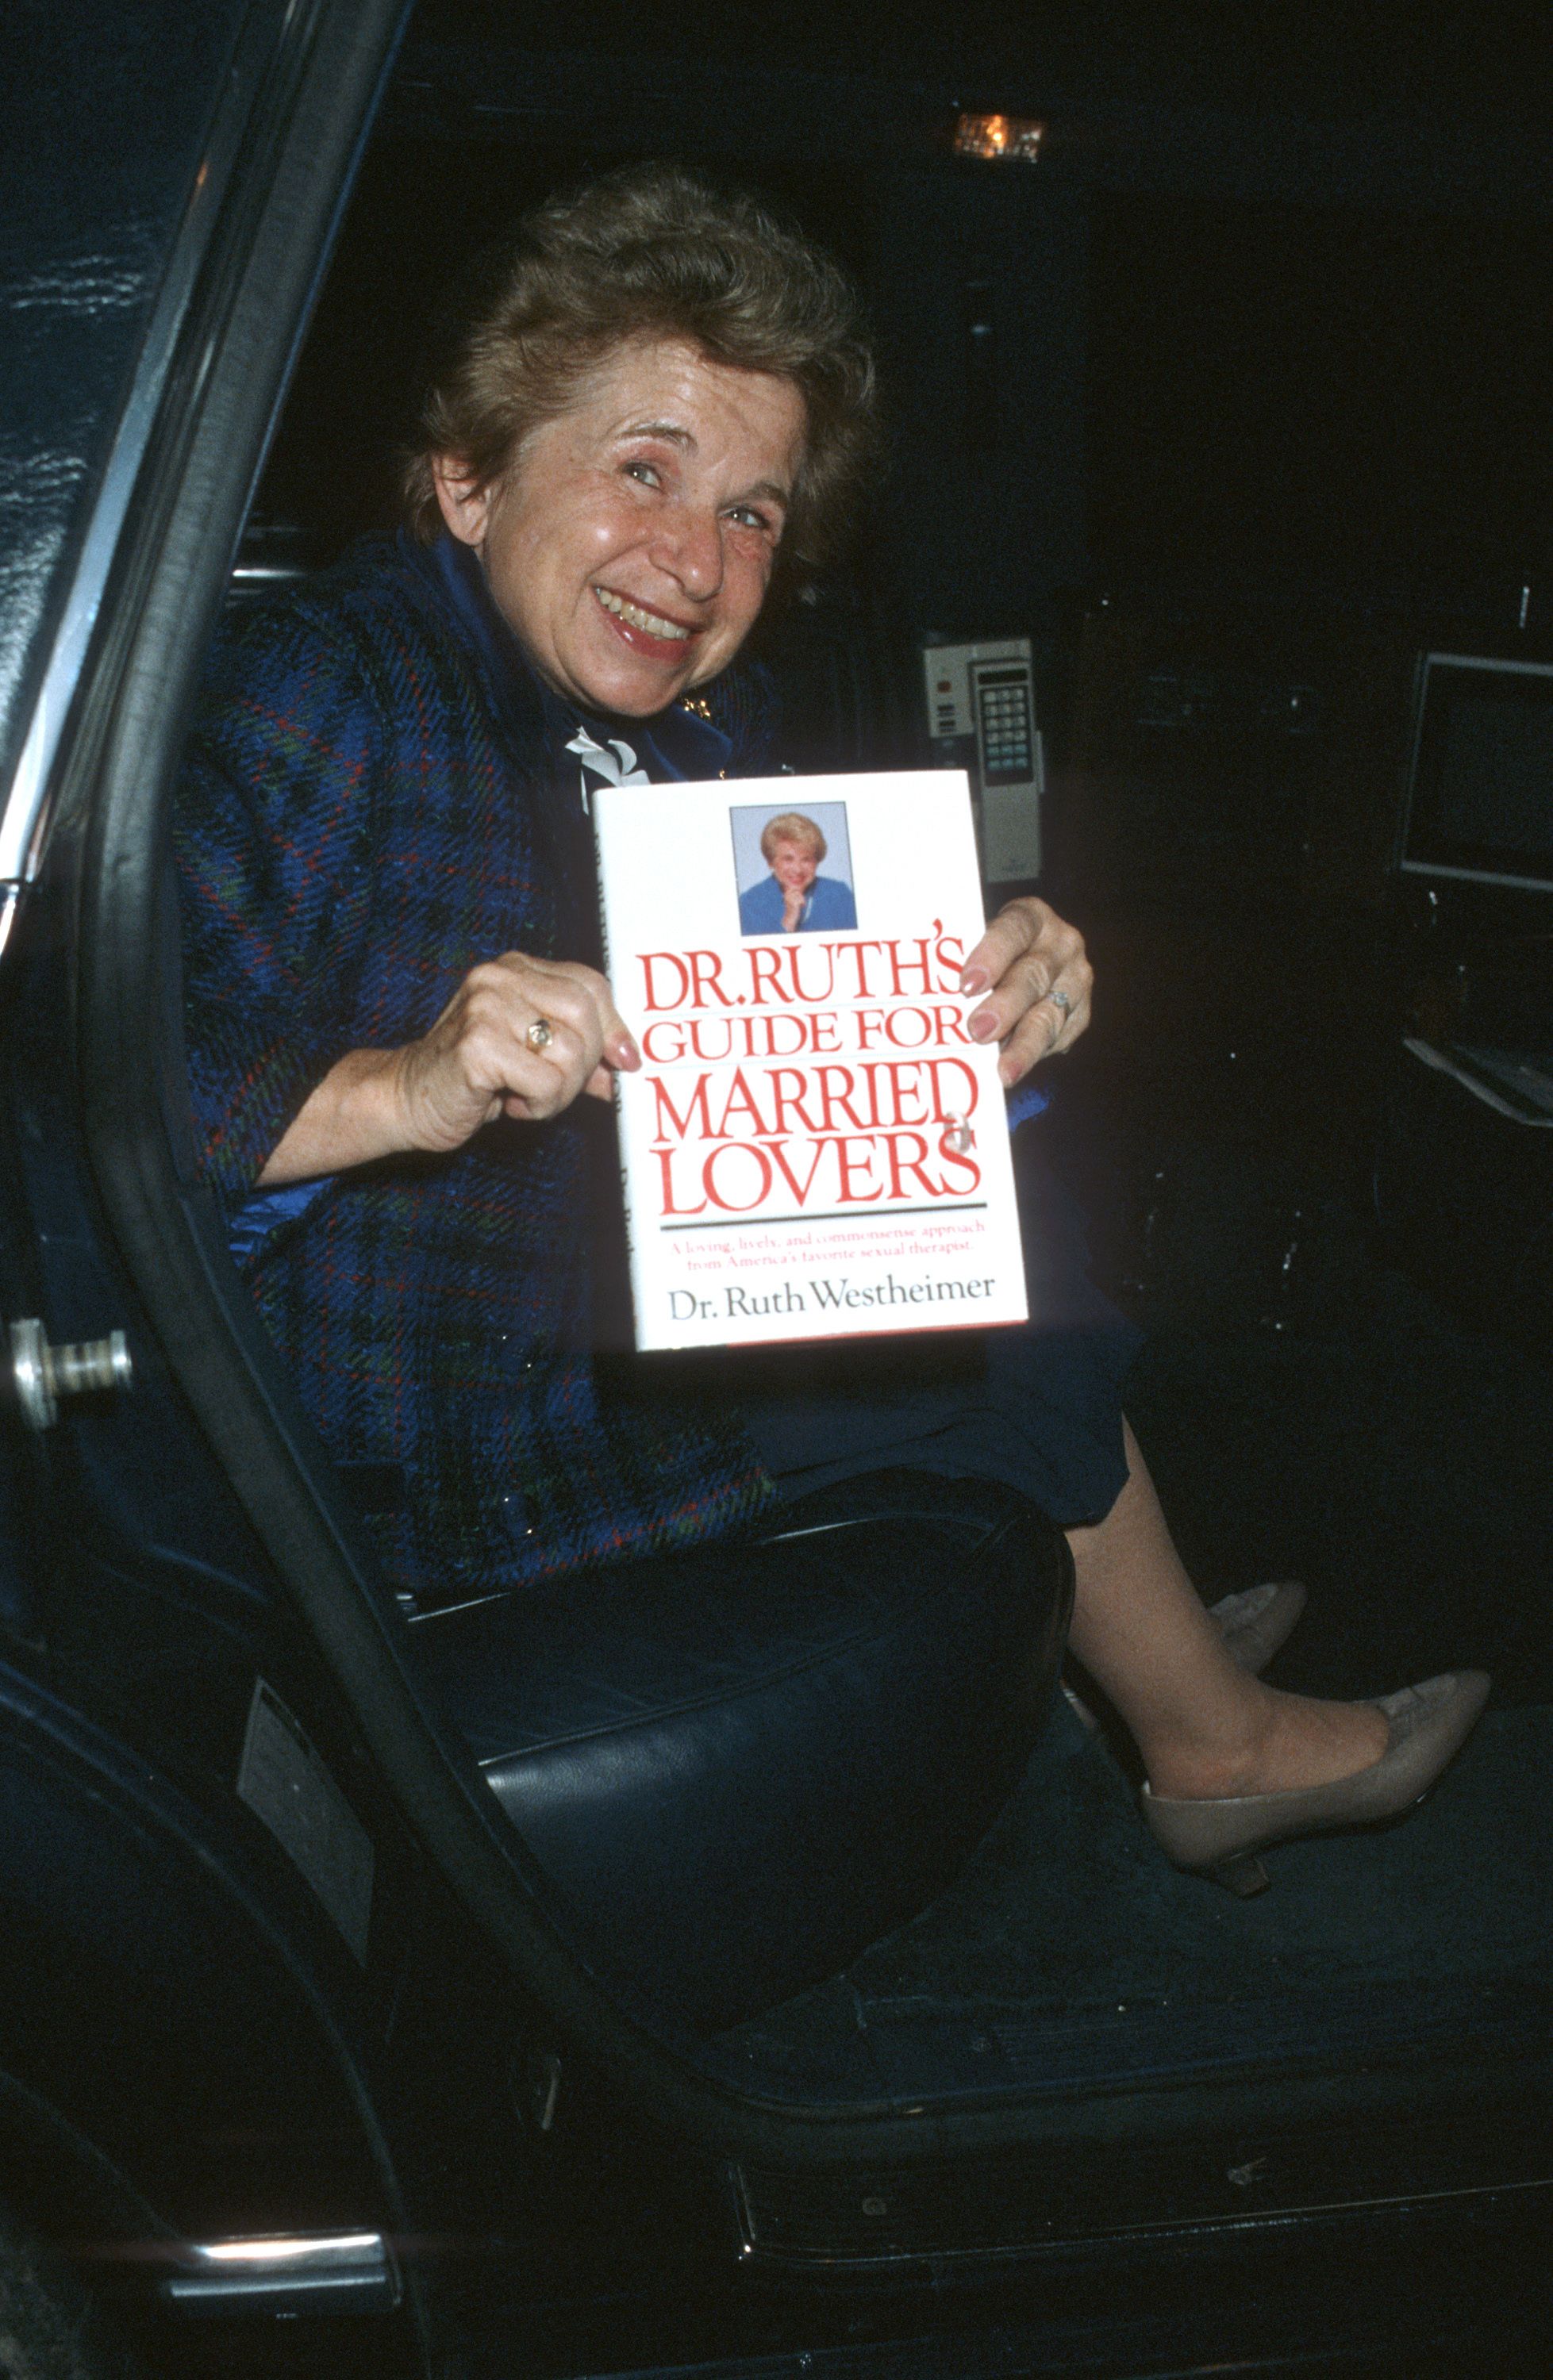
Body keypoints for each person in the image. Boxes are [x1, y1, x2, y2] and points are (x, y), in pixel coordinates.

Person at [175, 164, 1486, 1889]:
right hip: (426, 1430)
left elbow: (813, 1051)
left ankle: (1135, 1621)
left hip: (610, 1297)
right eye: (644, 469)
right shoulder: (332, 685)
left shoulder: (708, 733)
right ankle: (1205, 1741)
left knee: (1004, 1233)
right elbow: (86, 1104)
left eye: (754, 514)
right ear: (470, 477)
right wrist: (400, 1085)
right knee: (1000, 1328)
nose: (695, 563)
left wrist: (981, 1007)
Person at [738, 810, 857, 933]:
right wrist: (789, 920)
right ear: (771, 861)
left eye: (806, 860)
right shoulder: (750, 903)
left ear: (816, 861)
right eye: (788, 859)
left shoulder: (839, 895)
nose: (798, 869)